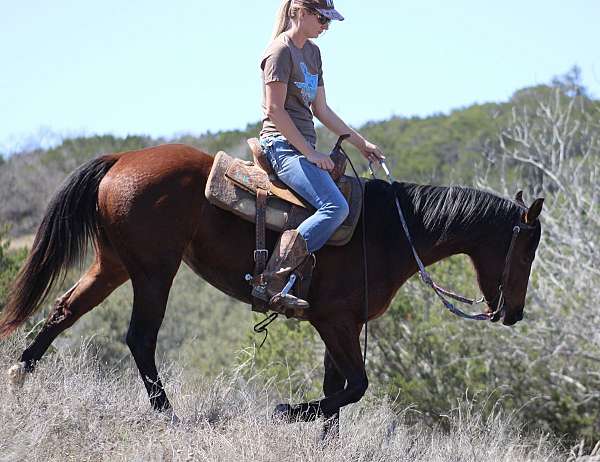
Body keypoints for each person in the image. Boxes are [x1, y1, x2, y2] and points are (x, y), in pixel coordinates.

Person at [255, 0, 385, 312]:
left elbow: (321, 109)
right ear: (299, 12)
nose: (325, 27)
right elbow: (274, 110)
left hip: (300, 147)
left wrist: (359, 143)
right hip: (280, 146)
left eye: (329, 22)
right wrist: (311, 152)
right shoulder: (279, 52)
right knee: (335, 206)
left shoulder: (313, 53)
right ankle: (273, 279)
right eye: (321, 19)